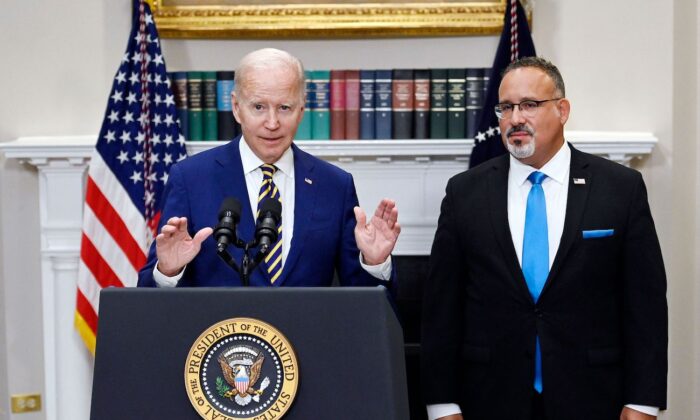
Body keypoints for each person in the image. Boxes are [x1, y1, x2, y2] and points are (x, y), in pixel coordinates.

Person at [421, 57, 667, 420]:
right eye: (506, 107)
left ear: (562, 110)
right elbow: (441, 310)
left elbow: (645, 306)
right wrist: (442, 406)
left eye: (529, 105)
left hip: (593, 399)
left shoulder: (619, 188)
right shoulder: (465, 193)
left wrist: (641, 403)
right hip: (489, 400)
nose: (516, 118)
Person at [137, 48, 400, 288]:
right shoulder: (191, 178)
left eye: (284, 107)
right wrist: (169, 271)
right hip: (220, 337)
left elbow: (364, 306)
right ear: (237, 108)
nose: (272, 123)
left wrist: (375, 263)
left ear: (301, 109)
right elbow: (148, 298)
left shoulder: (335, 185)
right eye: (259, 107)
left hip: (306, 339)